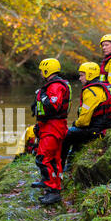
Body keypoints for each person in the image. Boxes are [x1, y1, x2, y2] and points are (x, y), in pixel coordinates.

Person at [61, 62, 111, 170]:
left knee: (68, 135)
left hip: (96, 130)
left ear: (90, 75)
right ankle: (70, 164)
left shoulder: (91, 91)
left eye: (82, 75)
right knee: (76, 135)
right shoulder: (104, 85)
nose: (79, 78)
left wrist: (75, 123)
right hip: (107, 124)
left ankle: (60, 167)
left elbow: (84, 121)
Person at [30, 58, 71, 206]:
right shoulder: (55, 85)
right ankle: (51, 184)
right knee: (54, 158)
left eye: (42, 70)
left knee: (44, 158)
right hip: (52, 126)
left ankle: (53, 190)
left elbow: (52, 106)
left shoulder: (55, 86)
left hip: (53, 127)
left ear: (47, 70)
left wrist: (42, 96)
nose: (40, 73)